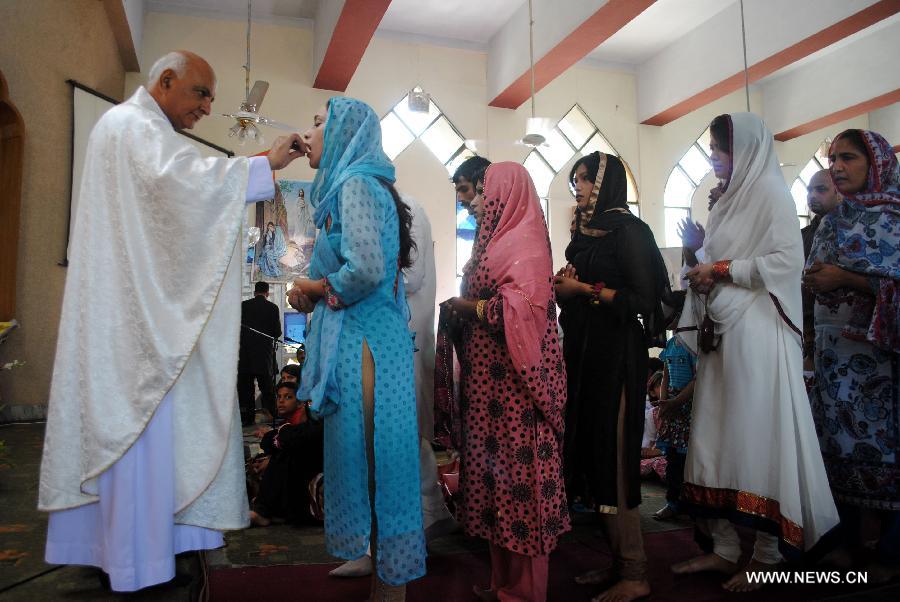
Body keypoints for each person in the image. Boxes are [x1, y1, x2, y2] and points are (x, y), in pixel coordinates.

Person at [38, 50, 305, 591]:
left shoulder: (134, 130)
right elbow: (188, 187)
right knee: (141, 428)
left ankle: (121, 545)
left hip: (130, 312)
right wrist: (266, 164)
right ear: (165, 81)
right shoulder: (133, 127)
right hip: (135, 324)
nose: (208, 106)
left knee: (139, 435)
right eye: (200, 93)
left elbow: (188, 185)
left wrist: (256, 166)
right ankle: (138, 557)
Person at [672, 113, 839, 592]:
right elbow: (723, 261)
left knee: (757, 435)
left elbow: (788, 260)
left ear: (744, 151)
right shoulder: (727, 200)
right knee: (715, 434)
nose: (713, 159)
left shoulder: (769, 192)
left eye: (719, 151)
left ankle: (768, 555)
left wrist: (719, 267)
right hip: (725, 332)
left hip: (760, 333)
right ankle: (725, 549)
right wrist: (699, 253)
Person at [286, 97, 425, 599]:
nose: (310, 132)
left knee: (378, 458)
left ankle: (392, 589)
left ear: (346, 133)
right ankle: (372, 555)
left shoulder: (356, 186)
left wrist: (315, 287)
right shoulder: (347, 188)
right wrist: (315, 290)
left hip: (368, 344)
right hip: (360, 337)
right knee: (363, 456)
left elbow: (365, 270)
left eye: (320, 123)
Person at [438, 162, 569, 602]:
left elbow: (523, 311)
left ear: (507, 194)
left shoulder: (527, 243)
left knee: (522, 491)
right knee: (496, 489)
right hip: (487, 390)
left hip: (519, 393)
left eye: (487, 191)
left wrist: (470, 309)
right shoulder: (488, 242)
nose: (481, 200)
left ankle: (527, 591)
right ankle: (502, 583)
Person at [554, 151, 668, 602]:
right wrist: (569, 285)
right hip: (584, 353)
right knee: (594, 454)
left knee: (617, 458)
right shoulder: (585, 235)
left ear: (607, 184)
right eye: (576, 181)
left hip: (617, 357)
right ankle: (618, 561)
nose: (578, 188)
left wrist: (583, 290)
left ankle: (637, 571)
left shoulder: (630, 232)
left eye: (584, 180)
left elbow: (644, 298)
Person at [329, 193, 456, 579]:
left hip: (401, 338)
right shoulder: (373, 208)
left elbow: (411, 275)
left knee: (392, 440)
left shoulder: (408, 208)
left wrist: (348, 277)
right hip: (381, 339)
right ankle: (411, 527)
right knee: (381, 441)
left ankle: (398, 538)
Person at [803, 129, 899, 578]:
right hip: (831, 355)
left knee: (884, 451)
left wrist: (847, 278)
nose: (837, 167)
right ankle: (847, 545)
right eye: (832, 158)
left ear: (875, 163)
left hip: (882, 360)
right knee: (836, 446)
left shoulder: (896, 218)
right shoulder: (834, 219)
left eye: (848, 158)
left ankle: (889, 553)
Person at [249, 381, 324, 527]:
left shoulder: (313, 423)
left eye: (288, 397)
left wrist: (276, 440)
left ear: (301, 402)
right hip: (300, 469)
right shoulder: (287, 424)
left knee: (284, 456)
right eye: (279, 397)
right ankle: (269, 509)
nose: (281, 401)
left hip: (312, 474)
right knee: (263, 459)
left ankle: (264, 512)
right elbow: (269, 441)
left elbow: (291, 440)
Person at [652, 292, 695, 522]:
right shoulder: (671, 343)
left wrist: (676, 401)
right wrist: (664, 399)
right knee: (673, 459)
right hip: (672, 408)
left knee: (689, 460)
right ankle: (672, 502)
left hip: (689, 408)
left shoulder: (694, 345)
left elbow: (698, 378)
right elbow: (666, 374)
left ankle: (691, 505)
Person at [801, 169, 841, 368]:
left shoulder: (852, 233)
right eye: (809, 190)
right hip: (806, 328)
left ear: (839, 191)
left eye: (821, 189)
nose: (812, 195)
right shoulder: (801, 236)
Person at [238, 281, 282, 425]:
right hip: (264, 356)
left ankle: (246, 419)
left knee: (245, 389)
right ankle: (273, 417)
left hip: (244, 356)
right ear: (267, 293)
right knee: (267, 388)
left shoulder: (243, 306)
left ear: (254, 292)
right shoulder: (272, 308)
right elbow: (277, 332)